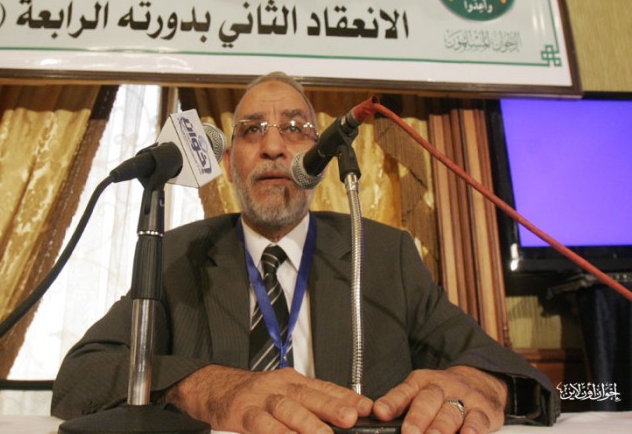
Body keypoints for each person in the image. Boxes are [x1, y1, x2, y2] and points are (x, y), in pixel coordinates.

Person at [52, 72, 559, 433]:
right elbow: (81, 378)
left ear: (321, 159)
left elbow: (499, 365)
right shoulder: (179, 254)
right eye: (252, 129)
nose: (274, 147)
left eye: (295, 129)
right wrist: (204, 388)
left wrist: (481, 385)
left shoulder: (387, 255)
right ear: (229, 163)